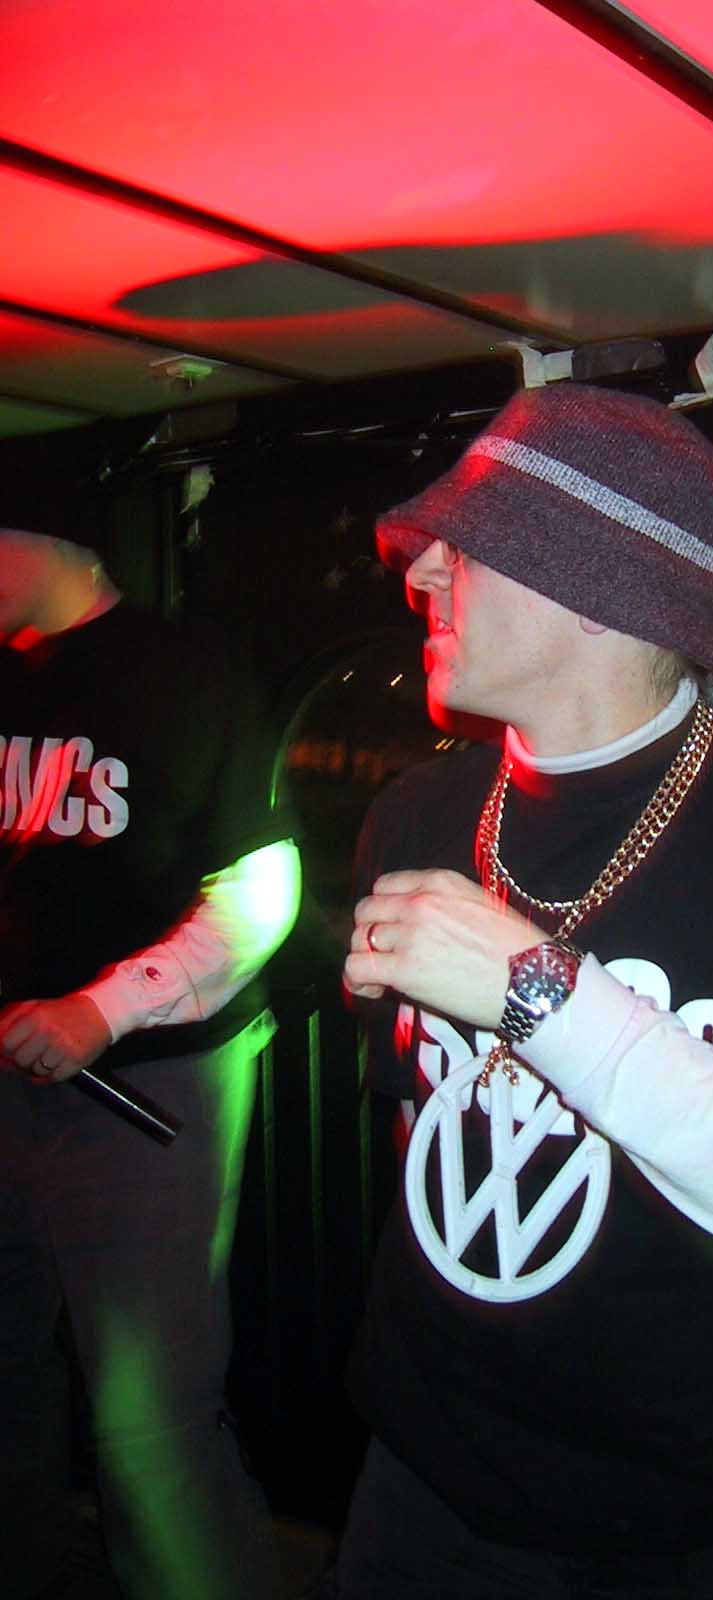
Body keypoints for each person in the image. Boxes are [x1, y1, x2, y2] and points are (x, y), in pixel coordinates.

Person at [335, 382, 713, 1598]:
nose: (423, 572)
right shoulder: (416, 814)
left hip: (699, 1531)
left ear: (599, 584)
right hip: (420, 1494)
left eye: (468, 544)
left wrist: (539, 992)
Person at [0, 529, 301, 1600]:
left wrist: (102, 1008)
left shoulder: (185, 673)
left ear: (43, 541)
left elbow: (263, 889)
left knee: (148, 1413)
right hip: (16, 1075)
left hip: (146, 1083)